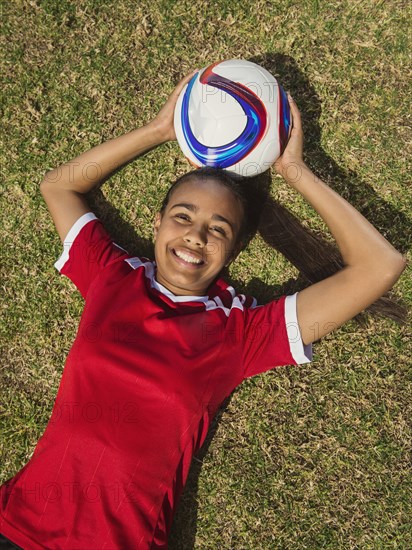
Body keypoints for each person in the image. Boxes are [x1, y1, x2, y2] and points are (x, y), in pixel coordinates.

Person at [0, 69, 406, 549]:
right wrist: (157, 131)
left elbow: (381, 265)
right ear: (158, 224)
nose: (196, 235)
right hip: (14, 525)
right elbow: (58, 187)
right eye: (183, 216)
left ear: (233, 251)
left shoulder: (242, 331)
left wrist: (297, 173)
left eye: (219, 228)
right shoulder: (111, 276)